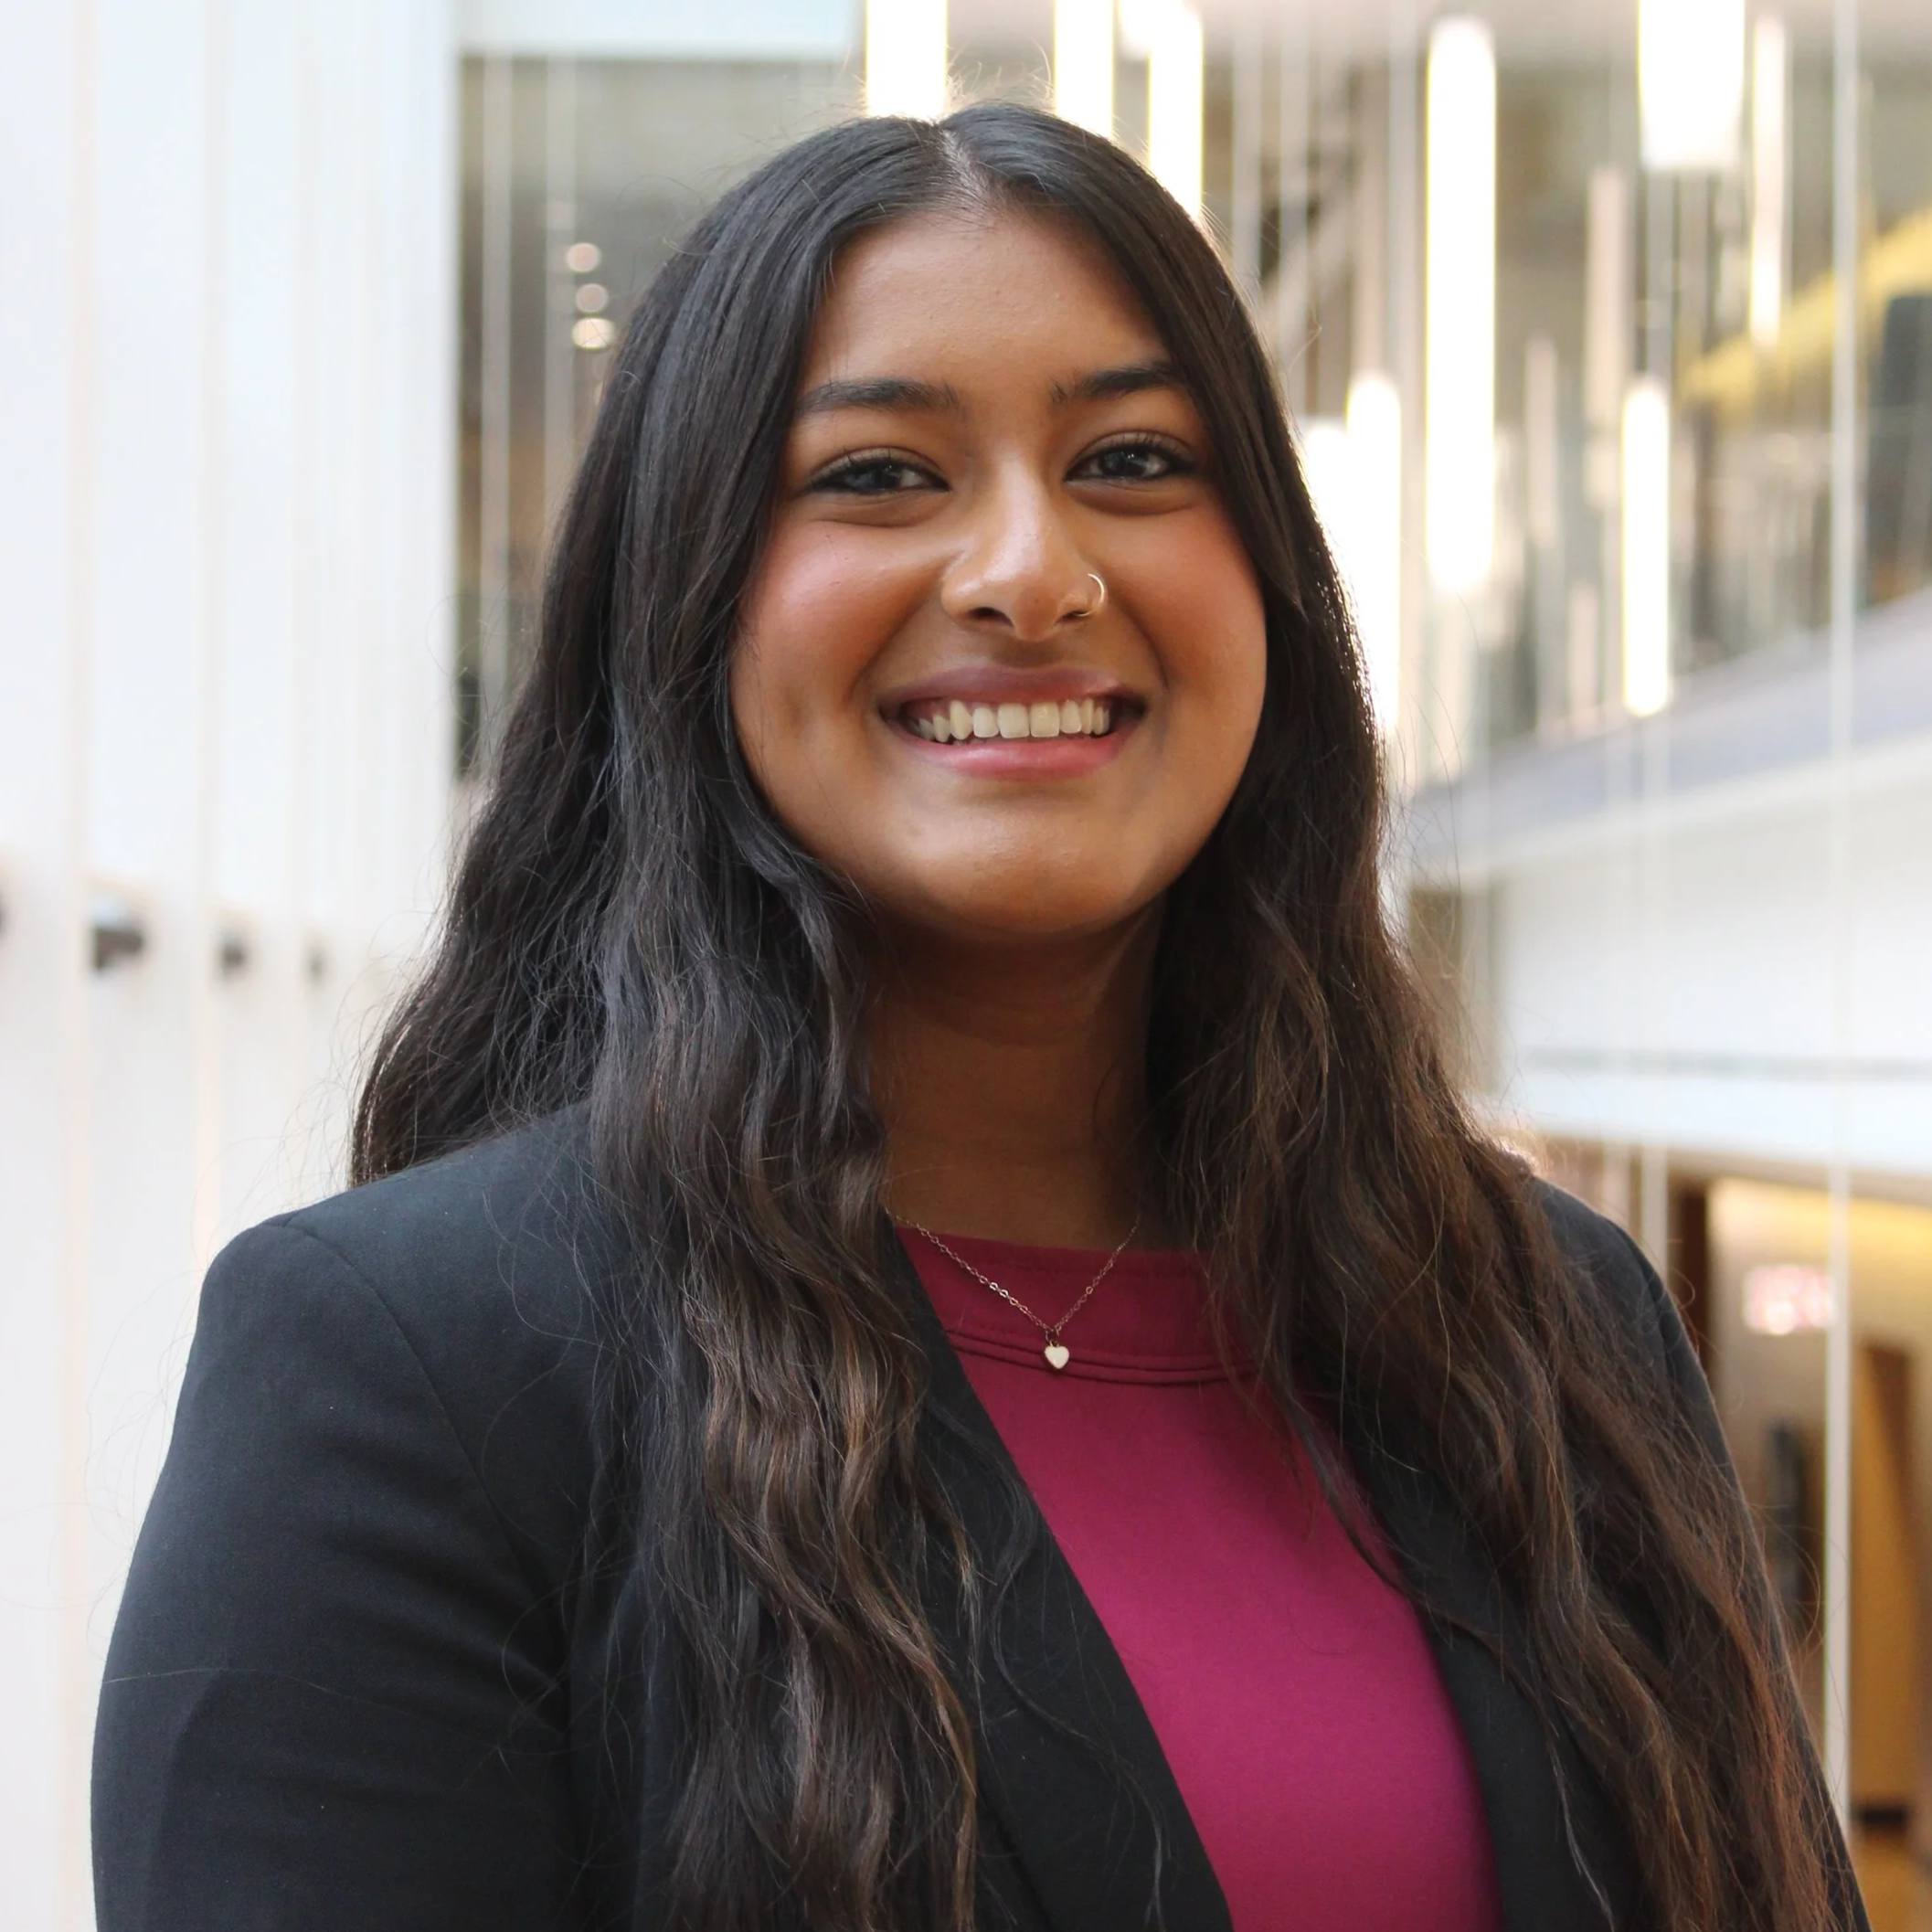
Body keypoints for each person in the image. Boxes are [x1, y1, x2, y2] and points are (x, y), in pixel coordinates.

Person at [93, 104, 1864, 1932]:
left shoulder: (1547, 1320)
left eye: (1131, 459)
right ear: (685, 596)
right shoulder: (418, 1373)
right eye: (878, 477)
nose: (1032, 571)